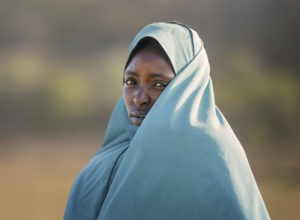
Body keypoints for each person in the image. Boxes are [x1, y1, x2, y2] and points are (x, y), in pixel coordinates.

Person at [64, 21, 270, 220]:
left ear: (189, 86)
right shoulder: (101, 166)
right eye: (131, 81)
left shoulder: (213, 161)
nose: (139, 98)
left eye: (159, 84)